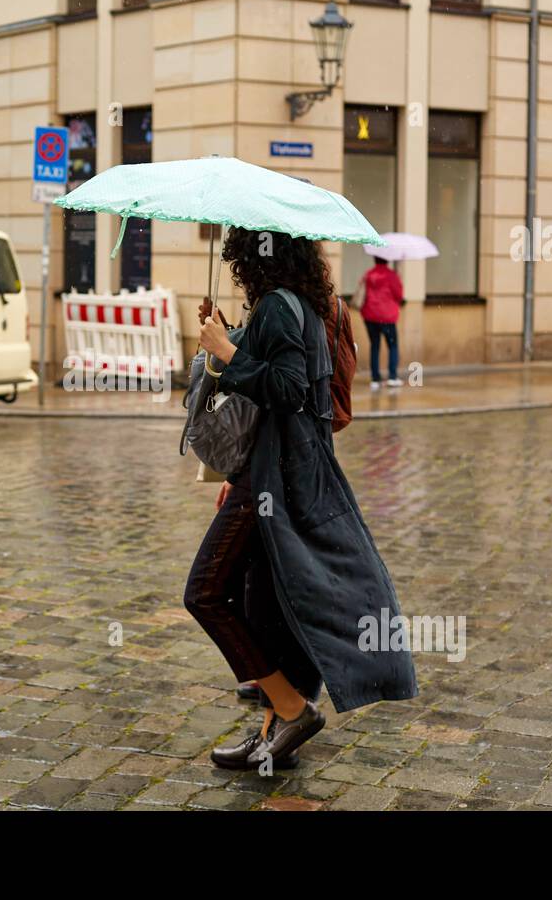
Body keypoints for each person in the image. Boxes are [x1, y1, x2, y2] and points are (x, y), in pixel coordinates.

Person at [187, 228, 418, 770]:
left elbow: (289, 390)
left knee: (205, 592)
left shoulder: (279, 308)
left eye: (240, 252)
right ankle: (272, 731)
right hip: (278, 471)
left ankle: (293, 710)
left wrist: (226, 353)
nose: (237, 261)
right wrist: (228, 337)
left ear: (253, 255)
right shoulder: (299, 305)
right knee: (266, 606)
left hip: (278, 479)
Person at [360, 255, 405, 391]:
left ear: (375, 259)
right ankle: (392, 377)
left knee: (375, 345)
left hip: (370, 316)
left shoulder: (368, 274)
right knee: (392, 346)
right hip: (387, 317)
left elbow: (363, 291)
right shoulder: (391, 275)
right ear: (387, 260)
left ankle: (375, 379)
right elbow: (399, 295)